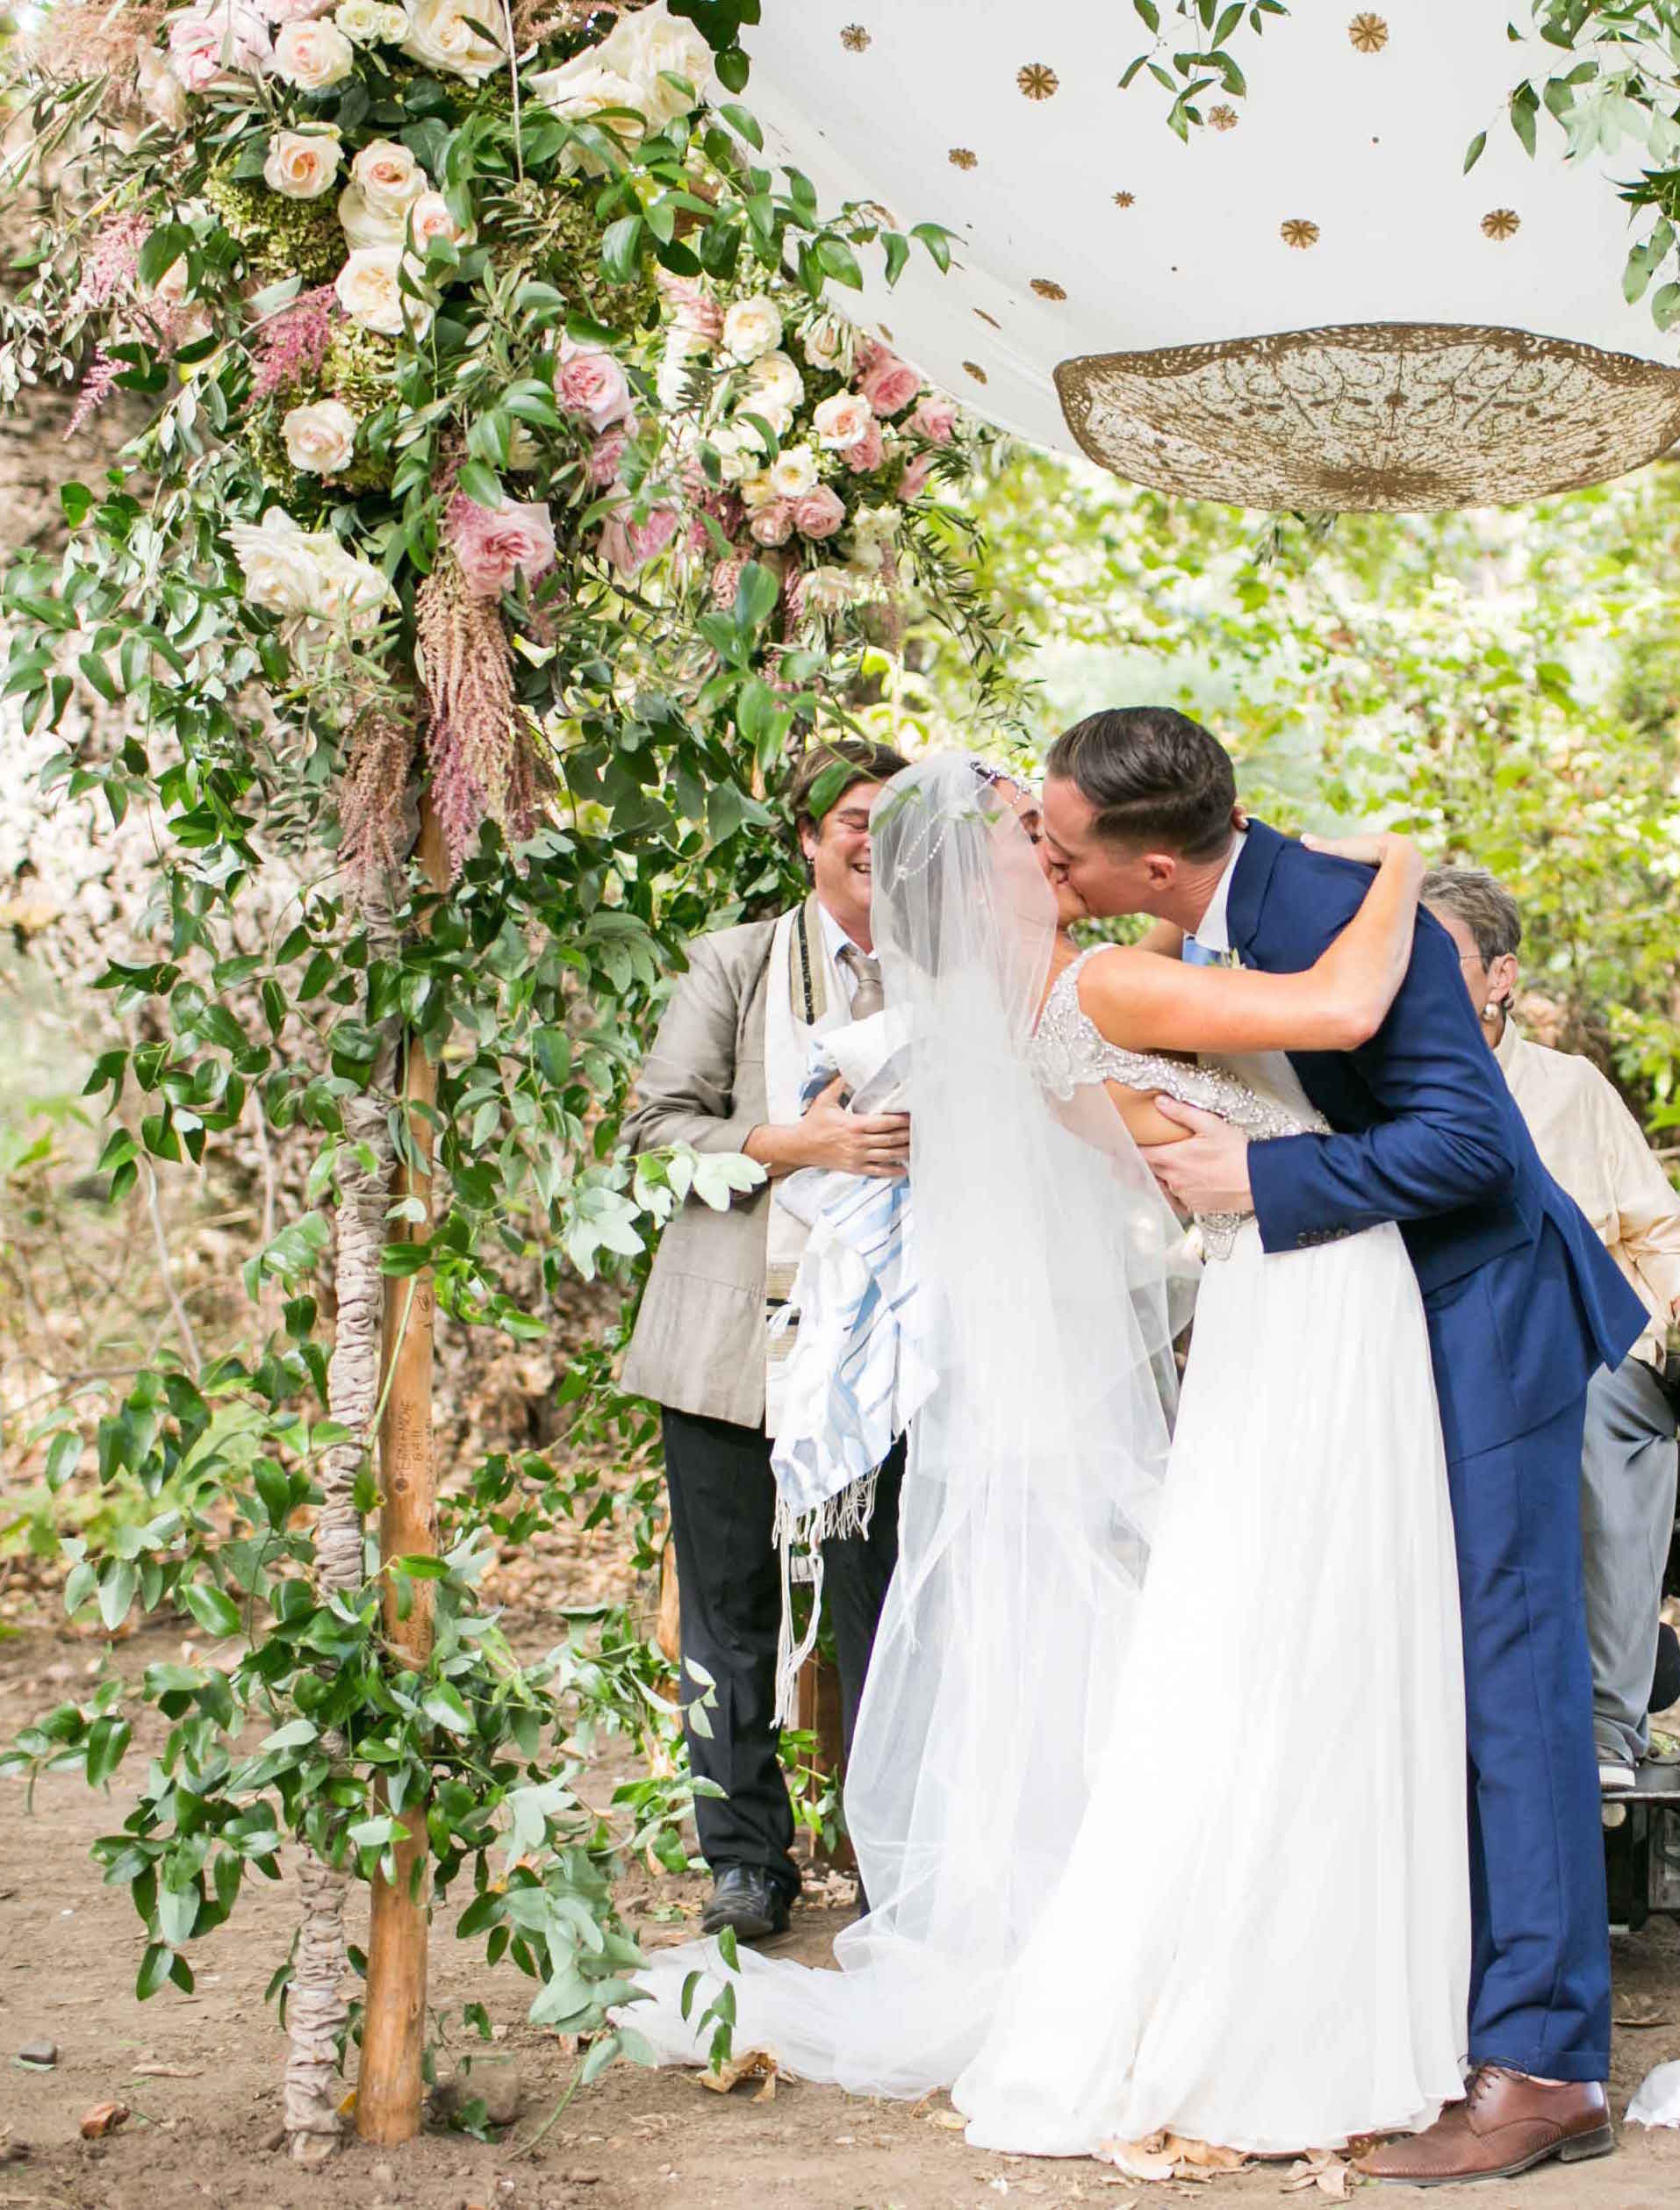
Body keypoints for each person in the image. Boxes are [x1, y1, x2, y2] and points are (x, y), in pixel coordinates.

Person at [617, 750, 1473, 2160]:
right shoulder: (1093, 989)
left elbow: (1167, 978)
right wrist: (1393, 863)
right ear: (987, 875)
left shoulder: (1042, 992)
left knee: (1231, 1624)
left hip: (1271, 1282)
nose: (1056, 847)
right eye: (1031, 834)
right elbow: (1334, 1007)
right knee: (1274, 1618)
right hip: (1302, 1284)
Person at [1043, 709, 1650, 2187]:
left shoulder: (1332, 912)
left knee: (1513, 1687)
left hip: (1488, 1317)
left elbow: (1473, 1147)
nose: (1048, 862)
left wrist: (1261, 1172)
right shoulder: (1227, 929)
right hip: (1360, 1332)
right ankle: (1433, 2002)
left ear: (1157, 859)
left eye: (1064, 844)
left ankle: (1548, 2063)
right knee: (1406, 1665)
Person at [619, 735, 915, 1942]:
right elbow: (651, 1133)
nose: (869, 838)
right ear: (807, 836)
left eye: (892, 821)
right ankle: (745, 1860)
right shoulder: (735, 962)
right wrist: (796, 1143)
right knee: (728, 1609)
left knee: (884, 1604)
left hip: (887, 1349)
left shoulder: (952, 975)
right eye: (850, 816)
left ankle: (892, 1853)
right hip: (732, 1336)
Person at [1420, 865, 1680, 1794]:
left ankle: (1608, 1724)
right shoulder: (1377, 1084)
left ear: (1501, 977)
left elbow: (1664, 1231)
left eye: (1438, 953)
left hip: (1579, 1342)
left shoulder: (1570, 1090)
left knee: (1603, 1408)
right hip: (1430, 1344)